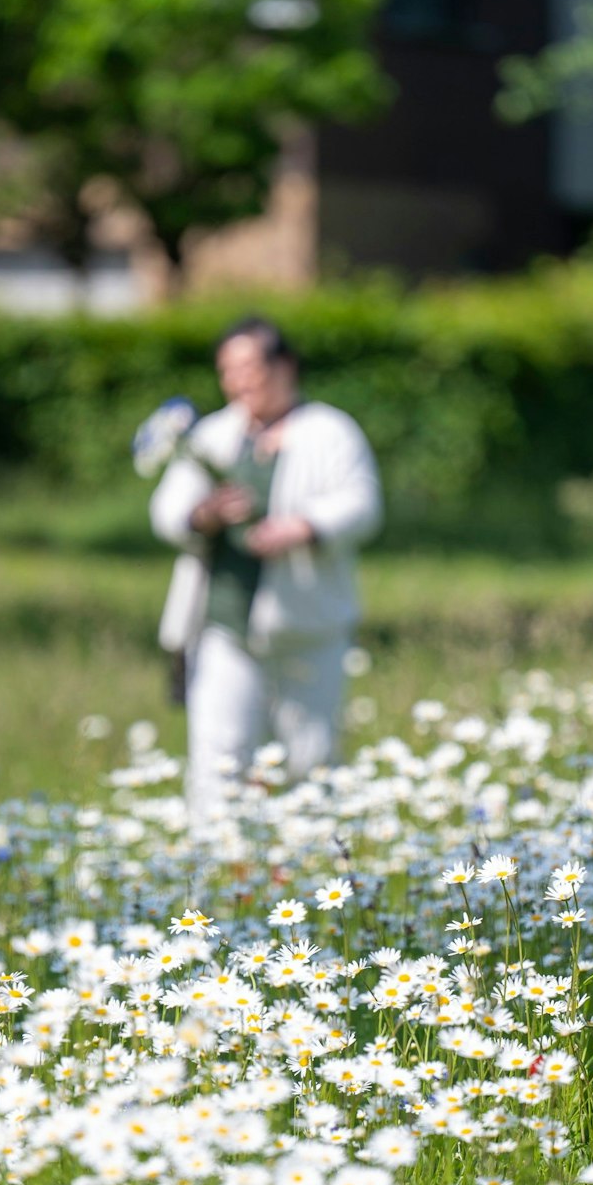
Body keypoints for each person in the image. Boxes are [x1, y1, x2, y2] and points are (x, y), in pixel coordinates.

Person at [151, 317, 382, 818]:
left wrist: (305, 526)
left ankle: (314, 853)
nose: (238, 381)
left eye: (248, 367)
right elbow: (167, 512)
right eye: (227, 370)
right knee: (218, 756)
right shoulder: (213, 433)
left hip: (307, 628)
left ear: (285, 366)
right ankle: (214, 855)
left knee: (310, 757)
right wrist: (205, 514)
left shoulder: (330, 431)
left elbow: (363, 505)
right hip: (223, 624)